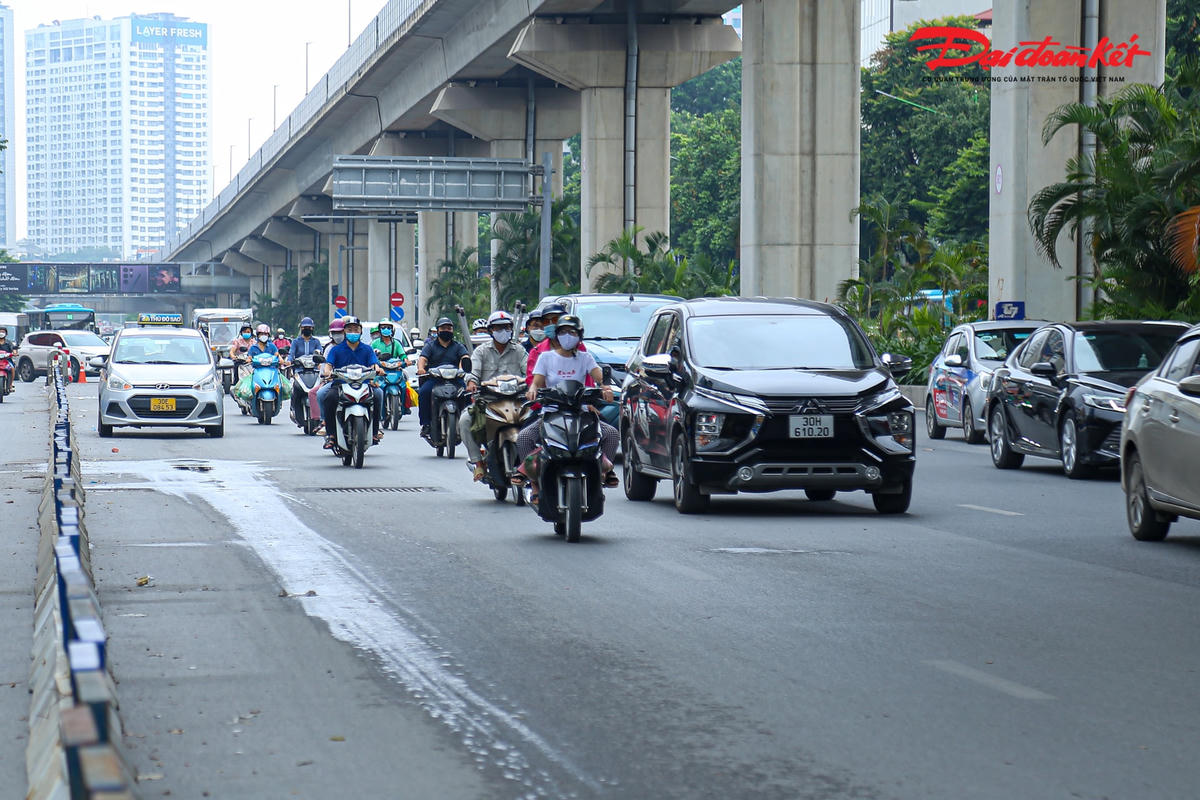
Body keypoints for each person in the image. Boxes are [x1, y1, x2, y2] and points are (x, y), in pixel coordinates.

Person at [518, 315, 618, 492]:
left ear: (579, 335)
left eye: (572, 332)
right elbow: (536, 381)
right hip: (551, 412)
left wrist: (606, 388)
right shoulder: (546, 357)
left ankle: (604, 472)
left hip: (581, 412)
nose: (567, 336)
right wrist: (533, 390)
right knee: (524, 437)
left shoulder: (585, 358)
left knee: (611, 433)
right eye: (563, 332)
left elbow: (599, 378)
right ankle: (534, 482)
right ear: (557, 335)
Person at [459, 311, 528, 481]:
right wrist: (472, 382)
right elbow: (473, 373)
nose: (502, 331)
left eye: (506, 327)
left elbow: (530, 373)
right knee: (465, 420)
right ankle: (478, 463)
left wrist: (533, 385)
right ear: (491, 330)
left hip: (517, 402)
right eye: (498, 327)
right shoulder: (481, 351)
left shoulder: (519, 350)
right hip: (488, 402)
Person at [319, 316, 385, 448]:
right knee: (327, 396)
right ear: (344, 331)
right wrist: (327, 372)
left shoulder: (367, 349)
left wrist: (378, 370)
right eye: (350, 329)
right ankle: (331, 434)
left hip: (364, 384)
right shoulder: (336, 350)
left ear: (361, 332)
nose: (353, 332)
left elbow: (374, 364)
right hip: (340, 384)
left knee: (378, 394)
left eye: (356, 329)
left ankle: (374, 431)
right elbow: (328, 365)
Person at [416, 316, 469, 438]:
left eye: (449, 328)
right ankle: (426, 424)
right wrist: (421, 368)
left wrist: (463, 367)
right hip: (435, 379)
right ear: (438, 330)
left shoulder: (458, 346)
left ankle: (467, 423)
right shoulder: (430, 346)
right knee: (424, 392)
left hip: (455, 379)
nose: (447, 330)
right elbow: (422, 358)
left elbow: (464, 357)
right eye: (443, 328)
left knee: (467, 394)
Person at [526, 303, 588, 386]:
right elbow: (532, 383)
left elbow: (588, 378)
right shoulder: (536, 352)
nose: (551, 324)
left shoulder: (578, 347)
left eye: (555, 320)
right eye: (546, 321)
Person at [0, 327, 17, 393]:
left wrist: (14, 352)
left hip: (7, 361)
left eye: (3, 332)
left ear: (6, 334)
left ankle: (10, 385)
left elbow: (13, 349)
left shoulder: (8, 343)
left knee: (12, 368)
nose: (1, 333)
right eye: (0, 331)